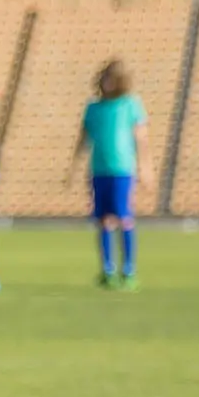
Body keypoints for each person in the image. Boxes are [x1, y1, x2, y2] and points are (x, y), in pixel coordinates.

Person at [77, 61, 150, 289]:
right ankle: (107, 270)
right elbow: (84, 138)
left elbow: (141, 138)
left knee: (123, 217)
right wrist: (74, 166)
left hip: (122, 170)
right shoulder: (94, 107)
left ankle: (128, 270)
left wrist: (146, 168)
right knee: (104, 220)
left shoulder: (130, 105)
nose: (107, 83)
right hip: (99, 170)